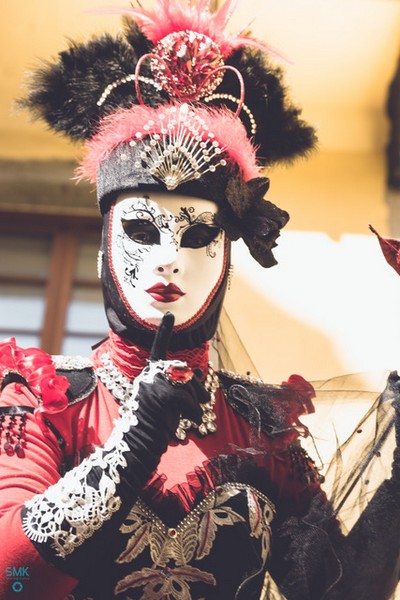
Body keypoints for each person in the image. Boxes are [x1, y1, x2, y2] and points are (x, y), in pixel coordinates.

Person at [1, 1, 400, 598]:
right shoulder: (47, 402)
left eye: (197, 235)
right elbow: (13, 575)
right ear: (105, 246)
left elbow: (341, 589)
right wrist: (131, 449)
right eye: (141, 231)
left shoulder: (267, 431)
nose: (168, 259)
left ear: (228, 253)